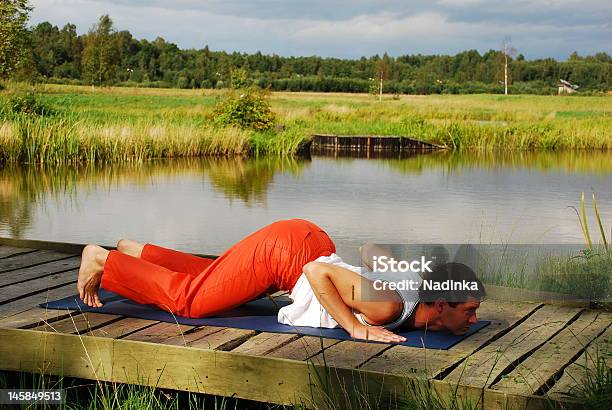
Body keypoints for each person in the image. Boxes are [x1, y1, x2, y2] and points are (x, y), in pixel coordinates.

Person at [77, 219, 485, 343]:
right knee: (191, 302)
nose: (474, 317)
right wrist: (357, 328)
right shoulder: (390, 306)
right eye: (468, 309)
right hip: (290, 255)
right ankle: (103, 260)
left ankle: (136, 252)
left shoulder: (411, 288)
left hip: (302, 244)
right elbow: (316, 272)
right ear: (441, 305)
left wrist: (394, 267)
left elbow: (368, 249)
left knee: (214, 281)